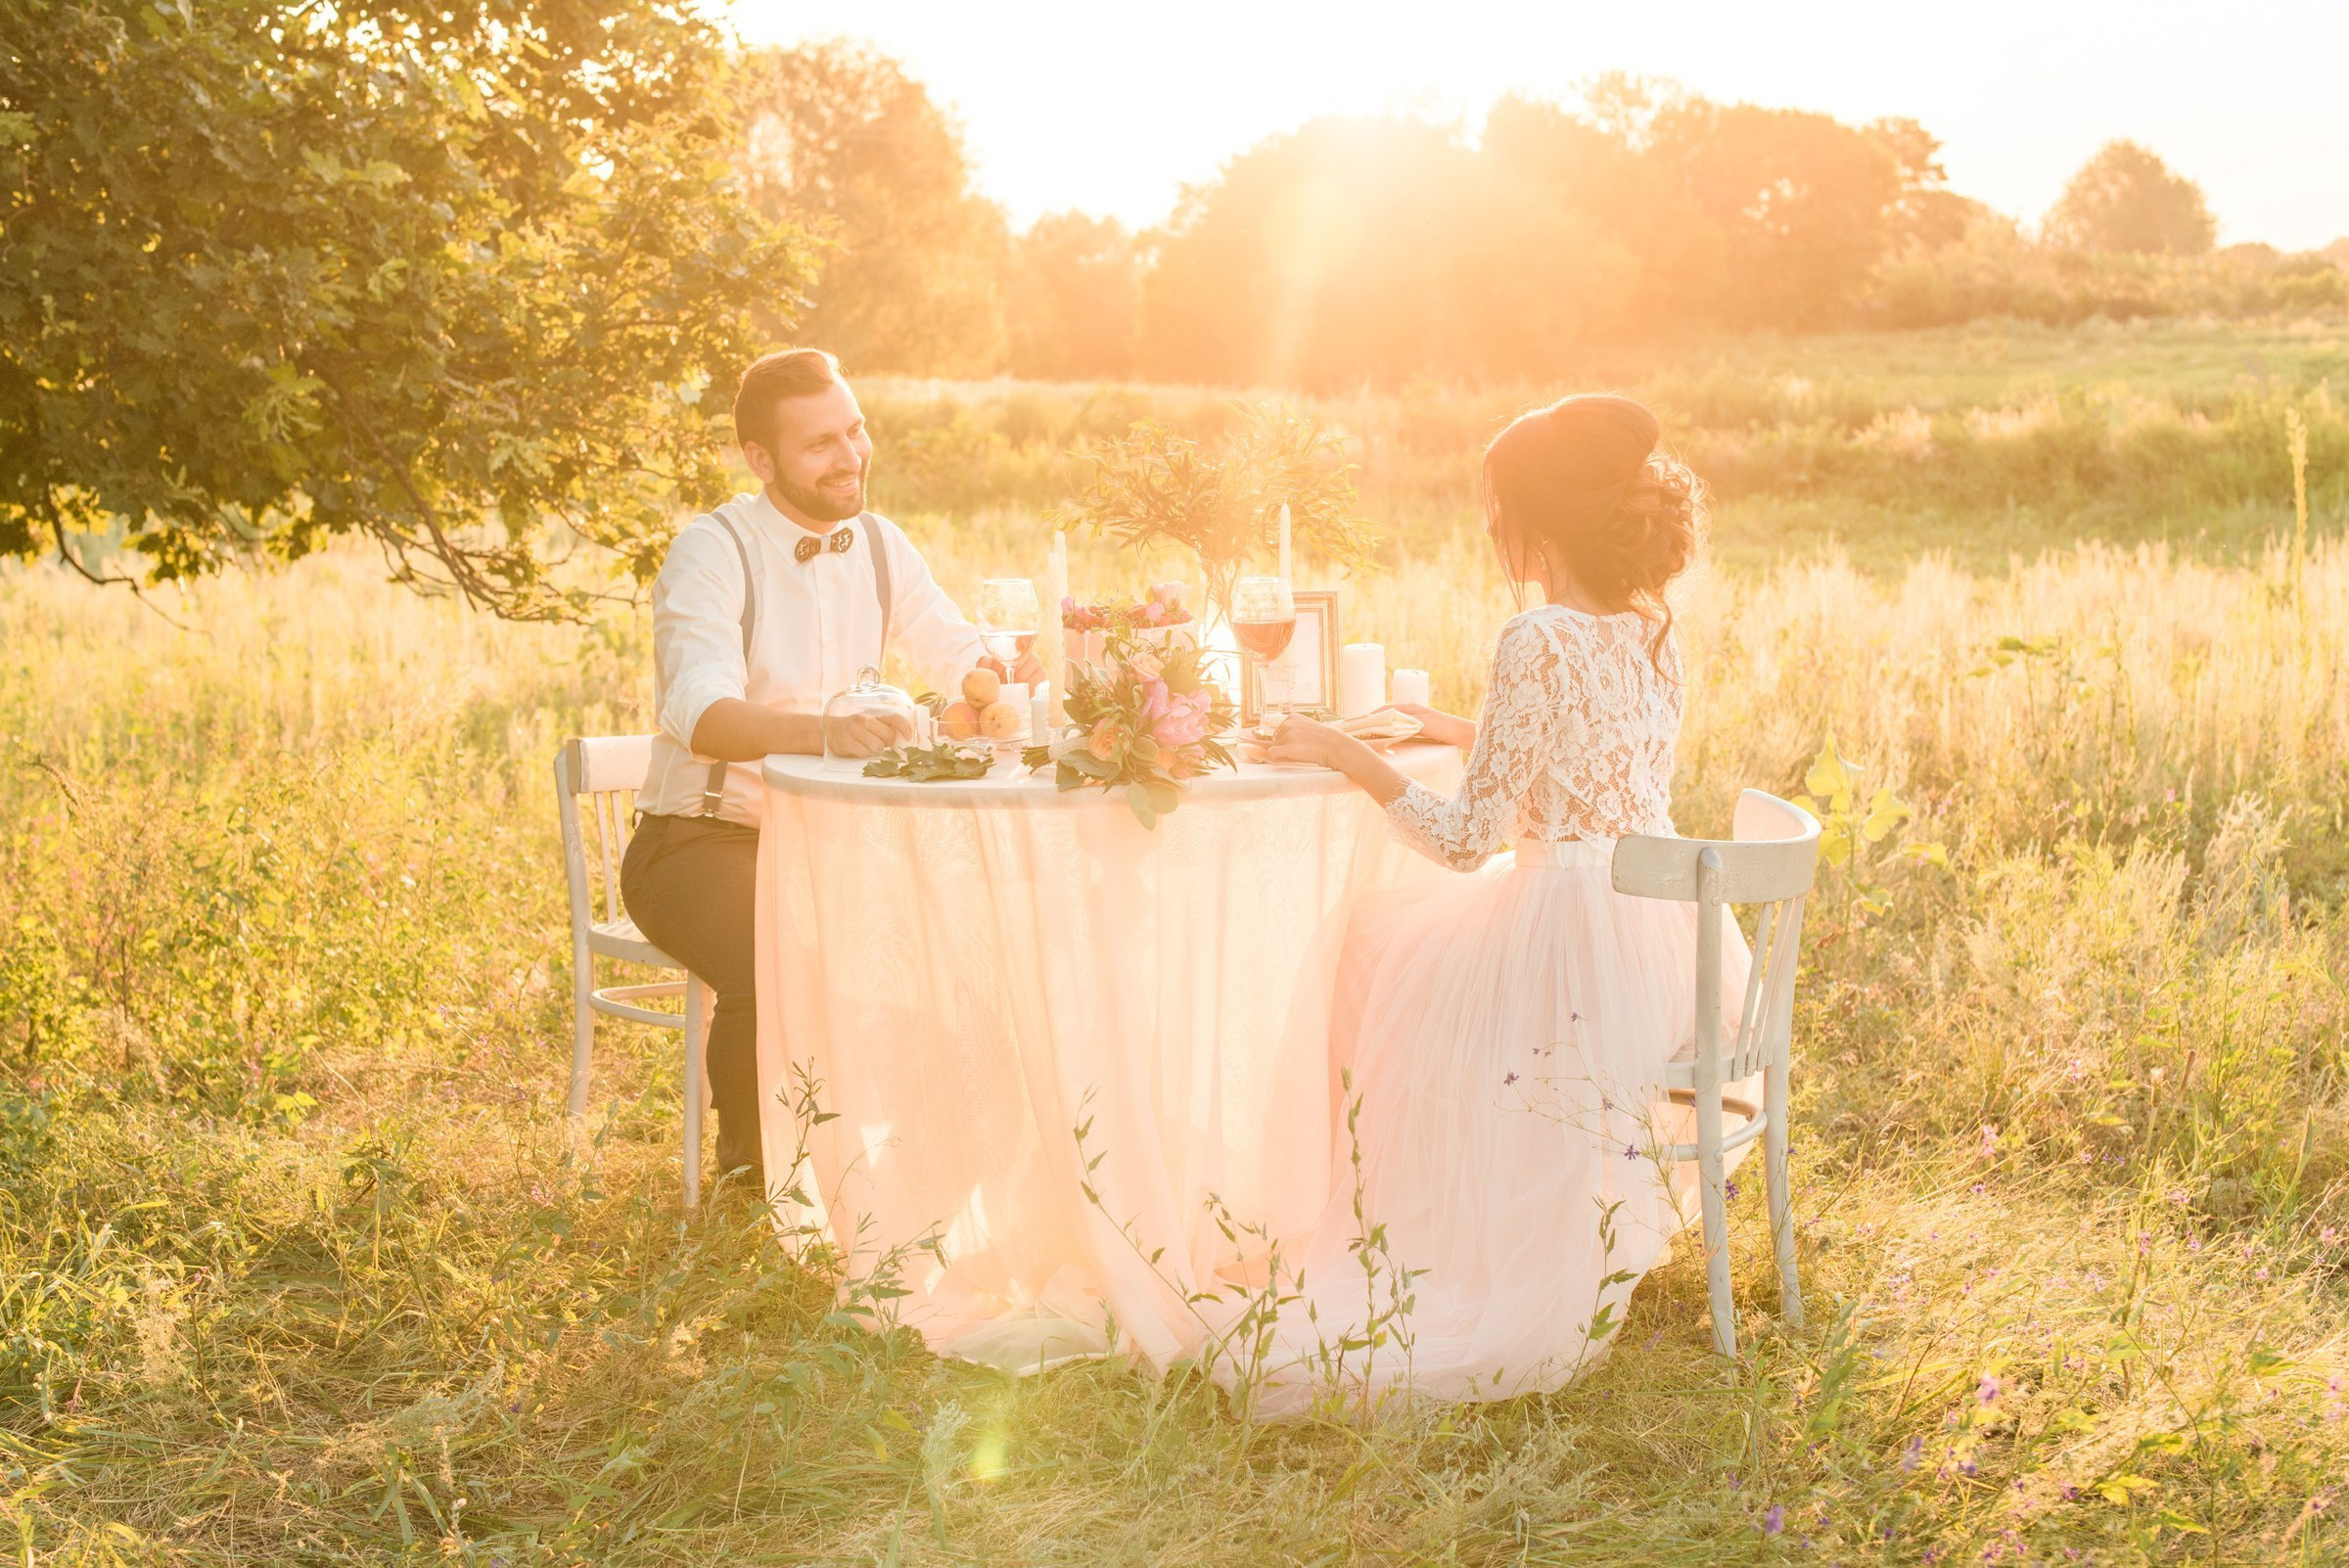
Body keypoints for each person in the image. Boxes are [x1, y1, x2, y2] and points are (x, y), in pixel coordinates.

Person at [1251, 393, 1750, 1411]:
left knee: (1369, 949)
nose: (1488, 526)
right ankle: (1471, 1202)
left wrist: (1346, 752)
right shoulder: (1656, 629)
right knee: (1398, 955)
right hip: (1663, 944)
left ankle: (1429, 1219)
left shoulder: (1534, 638)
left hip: (1568, 937)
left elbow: (1465, 841)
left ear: (1542, 522)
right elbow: (1592, 754)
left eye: (1496, 505)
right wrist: (1454, 724)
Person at [622, 347, 1038, 1184]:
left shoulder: (883, 547)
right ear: (761, 459)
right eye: (821, 444)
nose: (850, 457)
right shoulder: (710, 551)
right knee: (779, 951)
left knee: (981, 944)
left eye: (855, 430)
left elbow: (962, 651)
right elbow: (700, 716)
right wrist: (827, 730)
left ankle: (923, 1171)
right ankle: (755, 1184)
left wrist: (1007, 665)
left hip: (840, 843)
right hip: (700, 842)